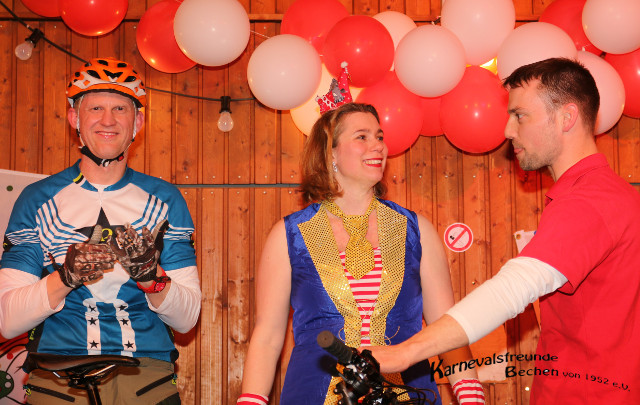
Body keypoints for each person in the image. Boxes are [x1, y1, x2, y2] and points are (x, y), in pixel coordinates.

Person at [367, 58, 640, 404]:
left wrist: (405, 352)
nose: (509, 130)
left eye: (520, 116)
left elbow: (512, 290)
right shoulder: (608, 194)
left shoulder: (589, 200)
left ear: (566, 117)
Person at [237, 103, 484, 405]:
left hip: (407, 396)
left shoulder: (417, 230)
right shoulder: (289, 235)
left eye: (379, 137)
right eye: (362, 137)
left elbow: (447, 328)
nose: (378, 145)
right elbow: (268, 335)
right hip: (314, 395)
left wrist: (471, 397)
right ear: (330, 152)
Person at [0, 57, 202, 404]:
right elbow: (8, 321)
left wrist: (151, 277)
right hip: (58, 377)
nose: (108, 120)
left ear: (137, 122)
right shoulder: (36, 199)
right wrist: (65, 277)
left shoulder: (166, 200)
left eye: (120, 109)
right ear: (75, 119)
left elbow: (187, 319)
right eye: (95, 108)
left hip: (145, 375)